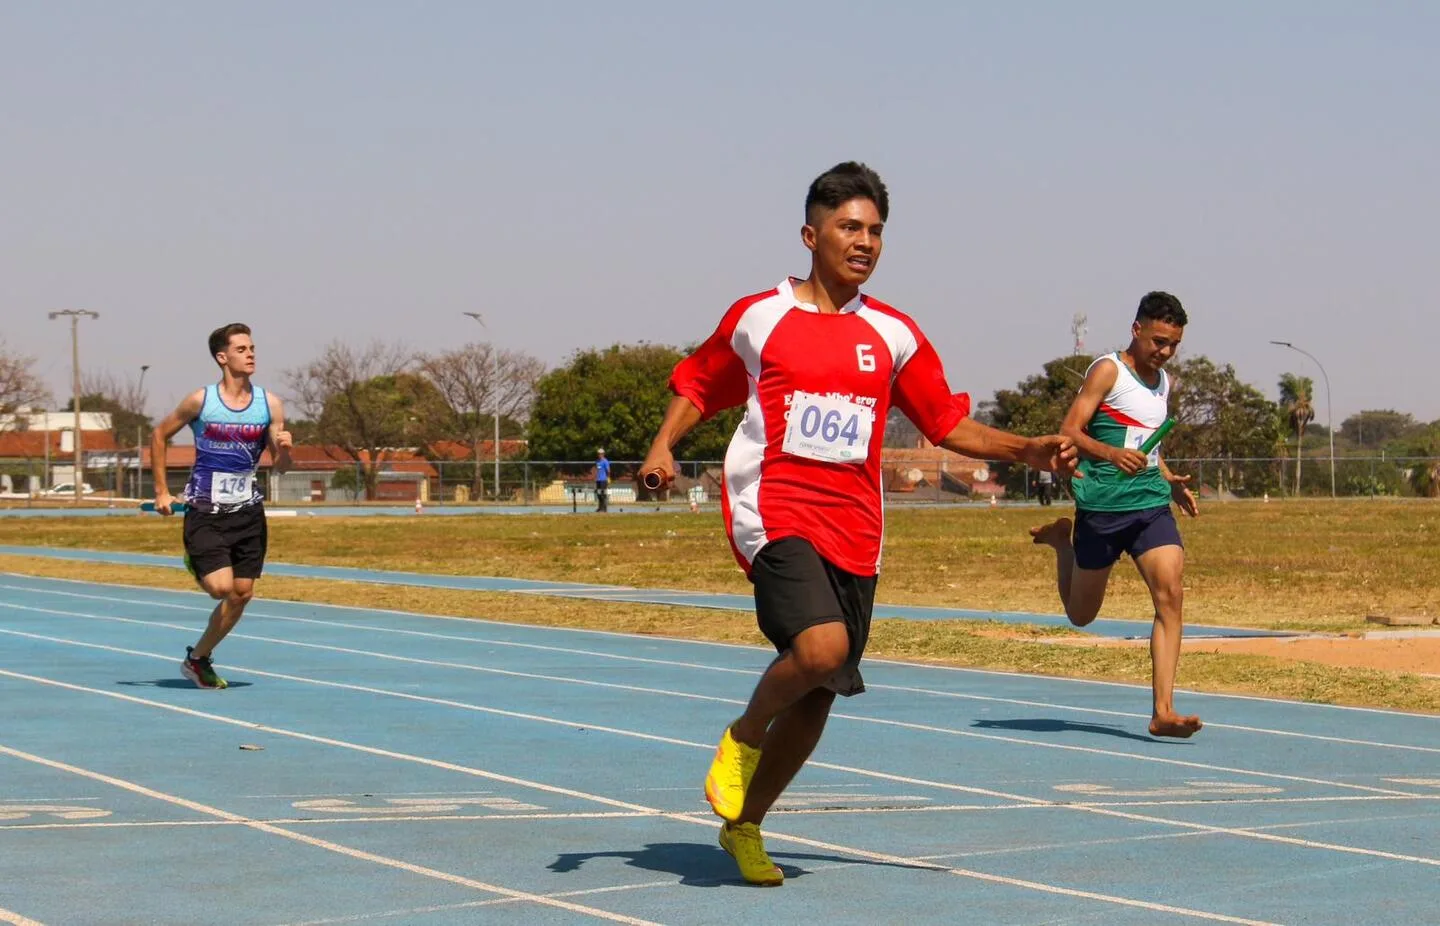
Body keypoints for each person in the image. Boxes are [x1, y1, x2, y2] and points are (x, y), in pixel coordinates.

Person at [639, 162, 1078, 886]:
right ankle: (744, 734)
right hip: (774, 509)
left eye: (875, 230)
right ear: (811, 234)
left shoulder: (894, 333)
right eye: (849, 227)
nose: (864, 241)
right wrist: (663, 444)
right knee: (819, 649)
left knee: (819, 694)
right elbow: (700, 381)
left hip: (857, 529)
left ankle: (744, 826)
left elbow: (944, 422)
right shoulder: (761, 317)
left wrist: (1026, 448)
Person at [1028, 292, 1201, 738]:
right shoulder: (1108, 370)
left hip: (1149, 505)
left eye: (1173, 345)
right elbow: (1069, 430)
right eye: (1158, 340)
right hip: (1102, 508)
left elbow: (1150, 446)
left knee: (1171, 595)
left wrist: (1169, 480)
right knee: (1081, 615)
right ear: (1136, 329)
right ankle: (1062, 543)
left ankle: (1163, 710)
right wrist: (1108, 453)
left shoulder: (1163, 383)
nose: (1163, 352)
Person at [151, 323, 292, 689]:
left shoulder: (269, 404)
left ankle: (198, 659)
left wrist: (286, 450)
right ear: (222, 357)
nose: (251, 354)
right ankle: (196, 559)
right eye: (242, 349)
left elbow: (281, 466)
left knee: (242, 593)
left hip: (248, 512)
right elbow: (159, 435)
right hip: (205, 510)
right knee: (220, 588)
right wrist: (162, 491)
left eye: (253, 347)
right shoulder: (201, 401)